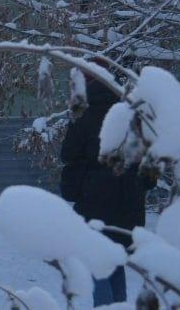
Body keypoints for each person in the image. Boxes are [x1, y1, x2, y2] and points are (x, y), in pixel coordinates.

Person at [60, 75, 151, 305]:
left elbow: (68, 155)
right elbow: (148, 160)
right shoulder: (132, 114)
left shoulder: (82, 114)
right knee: (116, 259)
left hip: (94, 198)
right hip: (129, 197)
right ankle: (119, 305)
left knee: (97, 262)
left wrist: (79, 185)